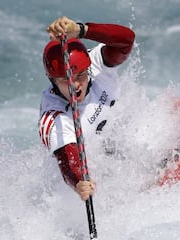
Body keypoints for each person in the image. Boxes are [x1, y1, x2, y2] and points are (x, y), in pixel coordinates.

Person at [38, 16, 135, 201]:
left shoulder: (95, 63)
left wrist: (83, 31)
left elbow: (127, 40)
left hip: (129, 143)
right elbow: (68, 159)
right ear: (52, 80)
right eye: (65, 80)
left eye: (80, 75)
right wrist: (79, 182)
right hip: (107, 173)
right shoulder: (55, 116)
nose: (75, 85)